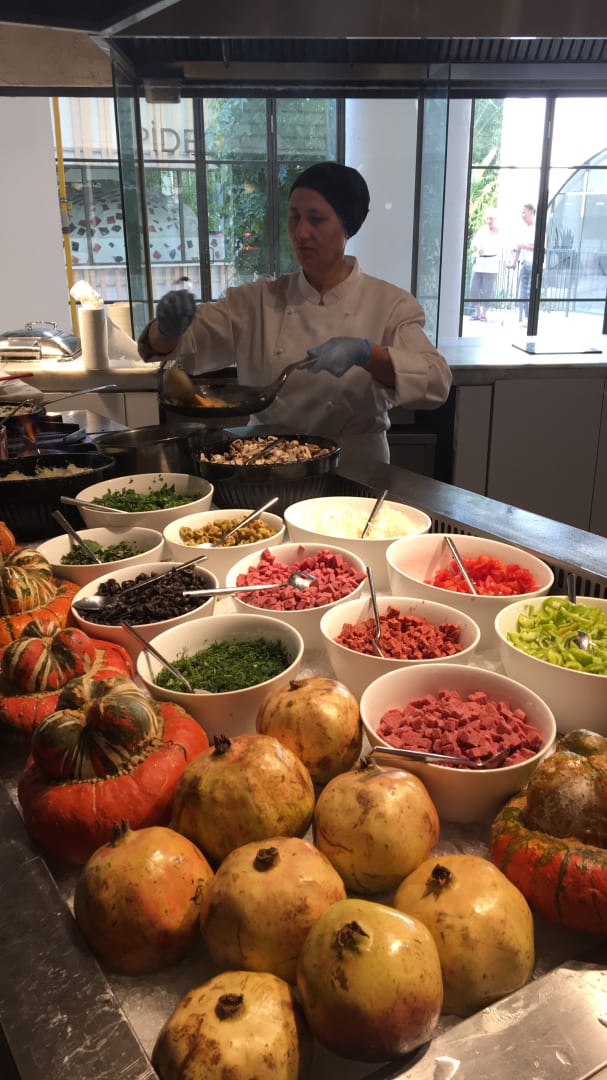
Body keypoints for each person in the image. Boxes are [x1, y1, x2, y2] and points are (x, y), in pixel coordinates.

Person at [138, 161, 452, 470]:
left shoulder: (389, 303)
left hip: (356, 468)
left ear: (347, 226)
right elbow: (179, 344)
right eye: (295, 217)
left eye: (316, 219)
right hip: (266, 462)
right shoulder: (258, 300)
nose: (301, 233)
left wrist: (368, 354)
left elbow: (436, 381)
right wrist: (167, 329)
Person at [469, 208, 501, 322]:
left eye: (491, 218)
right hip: (479, 263)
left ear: (495, 219)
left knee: (488, 290)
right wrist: (477, 248)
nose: (489, 221)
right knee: (473, 288)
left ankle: (484, 313)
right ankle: (477, 311)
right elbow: (473, 244)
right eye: (487, 218)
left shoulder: (500, 232)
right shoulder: (482, 230)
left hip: (491, 264)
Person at [510, 203, 536, 321]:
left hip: (534, 264)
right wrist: (513, 262)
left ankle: (530, 319)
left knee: (530, 292)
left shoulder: (538, 228)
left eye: (524, 212)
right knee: (523, 292)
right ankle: (527, 318)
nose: (522, 215)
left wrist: (524, 246)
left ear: (531, 212)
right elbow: (518, 247)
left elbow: (540, 247)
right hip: (525, 264)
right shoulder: (524, 229)